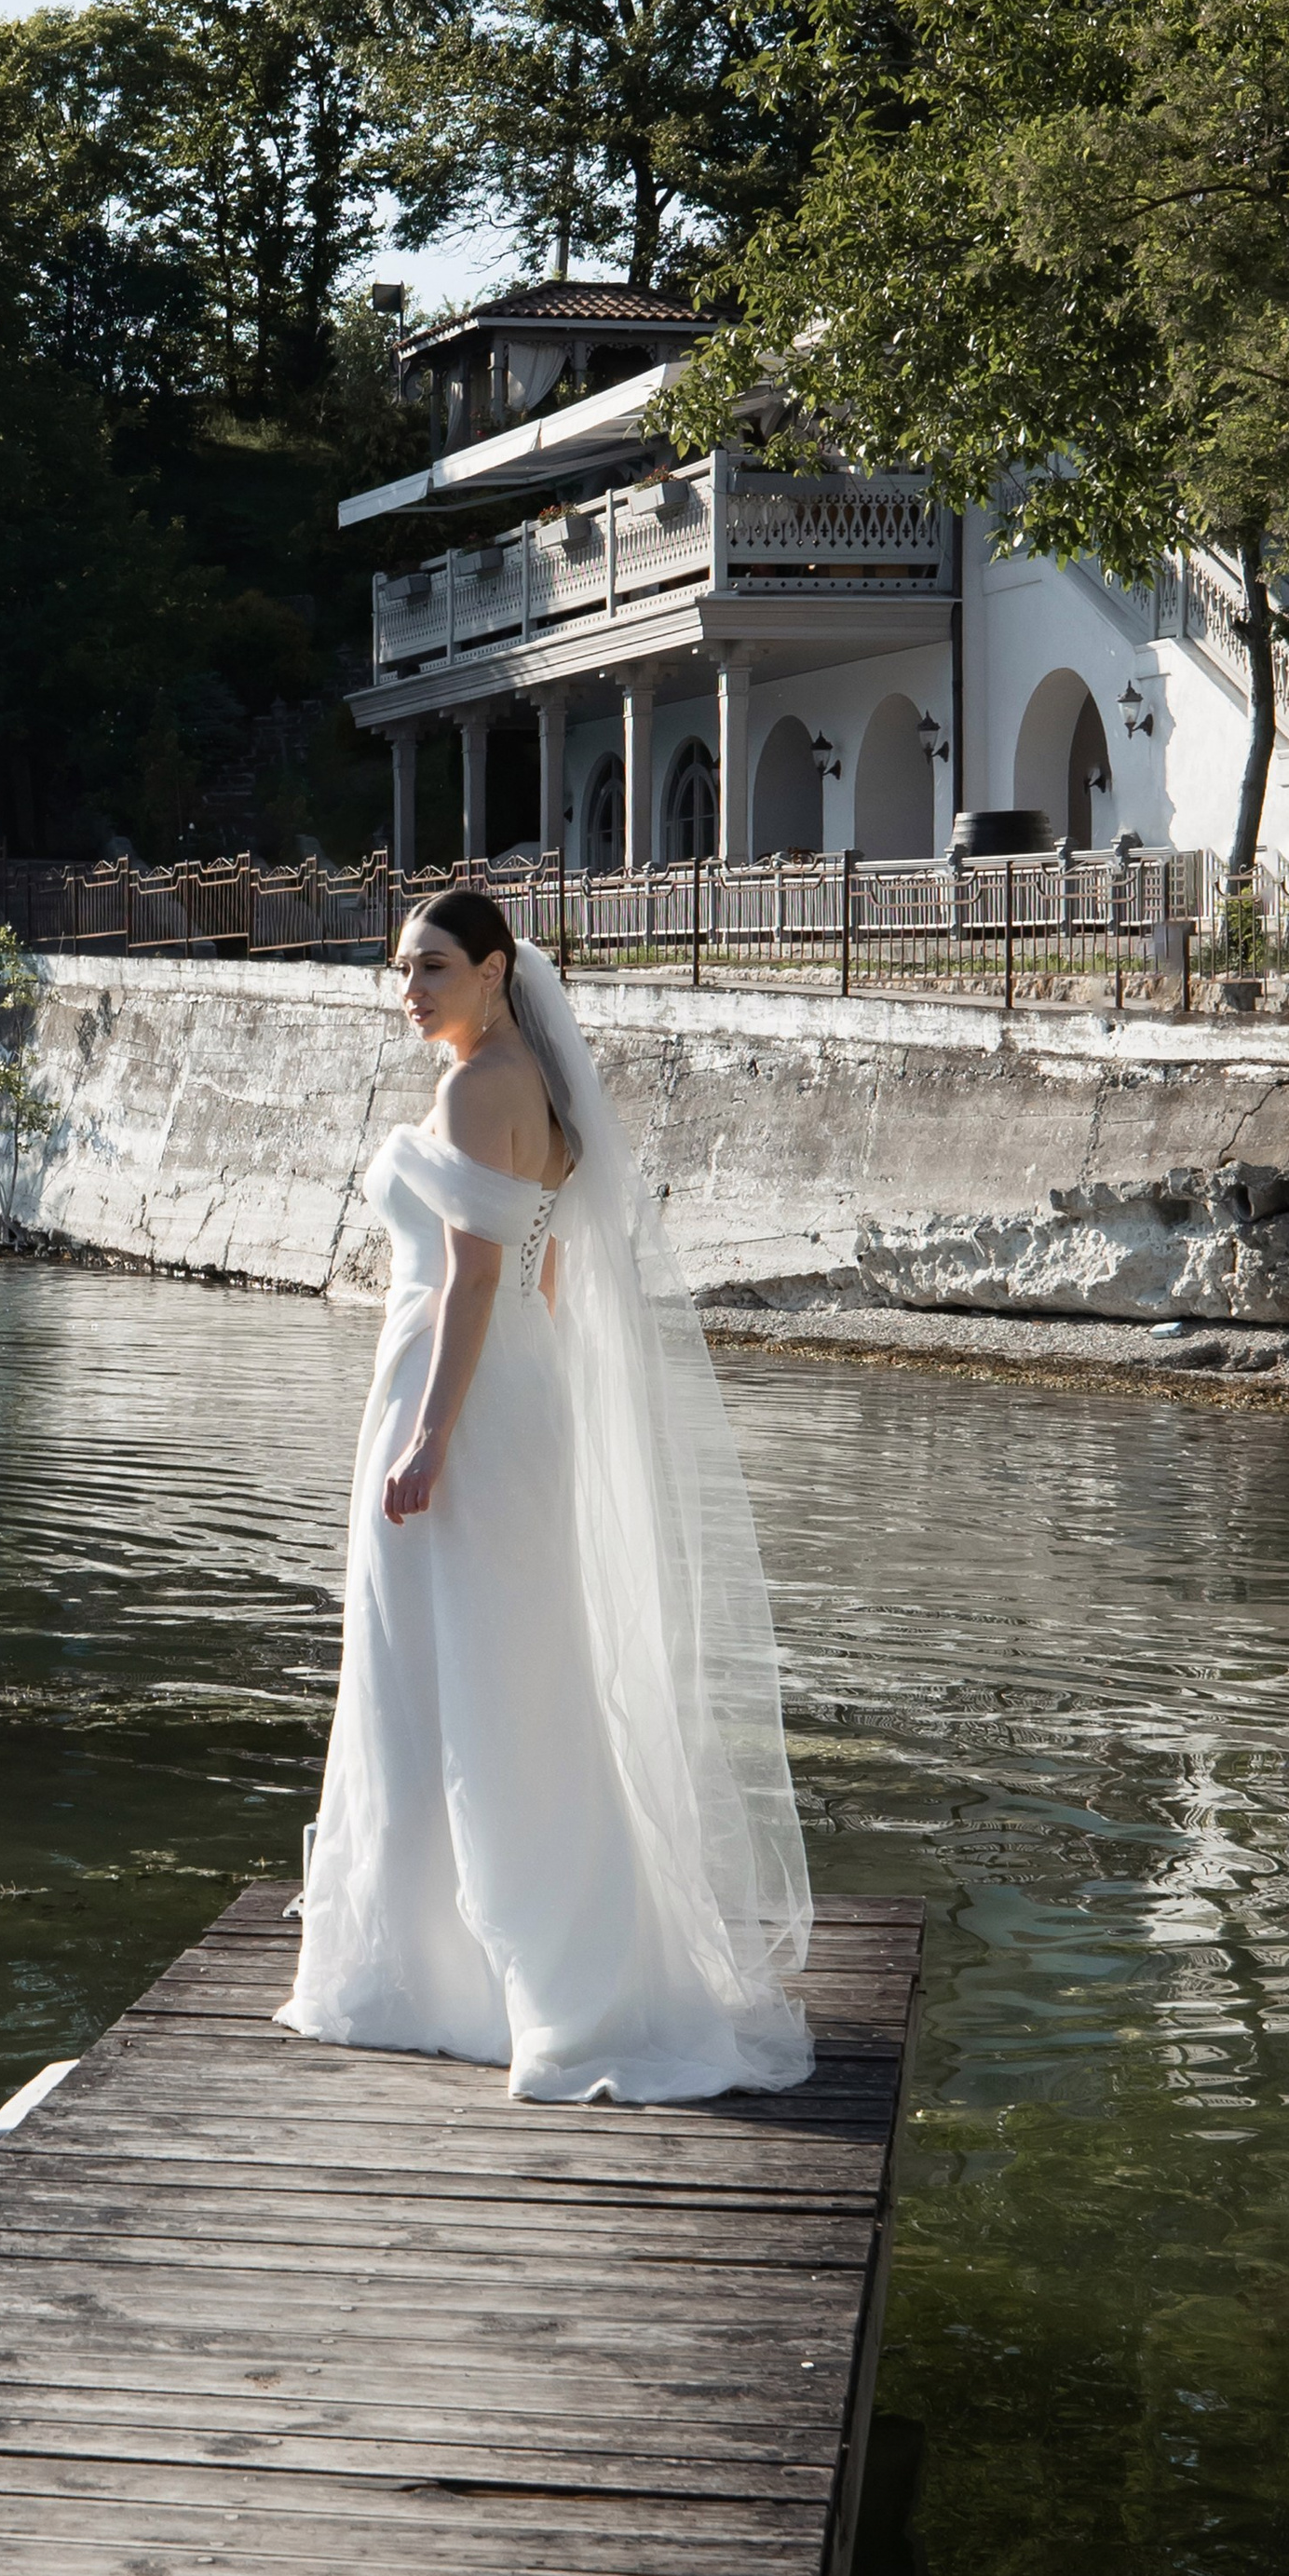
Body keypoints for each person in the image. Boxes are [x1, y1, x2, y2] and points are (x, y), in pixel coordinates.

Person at [278, 889, 813, 2102]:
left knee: (444, 1674)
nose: (406, 991)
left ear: (494, 967)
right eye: (400, 969)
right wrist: (526, 1406)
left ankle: (447, 1981)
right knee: (514, 1678)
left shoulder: (477, 1089)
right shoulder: (532, 1082)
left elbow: (474, 1279)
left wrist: (427, 1441)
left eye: (430, 970)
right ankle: (510, 1970)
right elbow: (546, 1266)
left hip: (453, 1406)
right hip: (514, 1405)